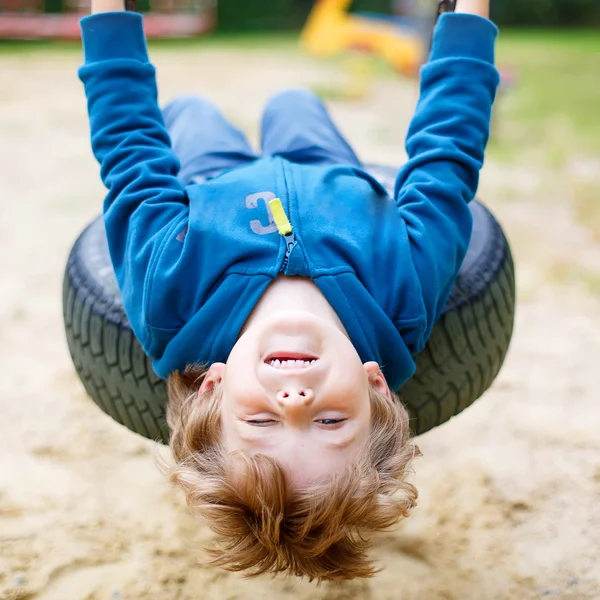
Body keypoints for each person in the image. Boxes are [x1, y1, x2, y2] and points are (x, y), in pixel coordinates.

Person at [78, 0, 498, 581]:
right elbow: (447, 159)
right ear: (375, 383)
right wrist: (470, 18)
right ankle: (288, 110)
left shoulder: (170, 297)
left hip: (209, 182)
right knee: (294, 101)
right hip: (323, 170)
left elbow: (129, 155)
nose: (294, 402)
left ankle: (204, 118)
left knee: (190, 111)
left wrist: (107, 15)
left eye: (261, 424)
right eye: (330, 422)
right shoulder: (404, 294)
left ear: (213, 390)